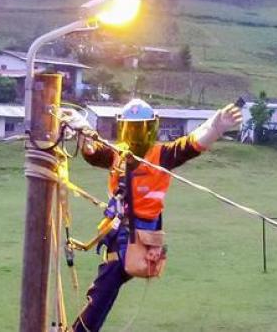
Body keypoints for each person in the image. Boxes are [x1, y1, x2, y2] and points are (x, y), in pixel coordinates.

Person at [64, 99, 242, 331]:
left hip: (138, 239)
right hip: (122, 236)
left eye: (140, 129)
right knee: (106, 287)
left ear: (151, 129)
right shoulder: (117, 154)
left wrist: (216, 126)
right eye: (132, 129)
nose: (136, 136)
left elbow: (193, 143)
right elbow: (93, 151)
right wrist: (82, 130)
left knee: (105, 285)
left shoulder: (162, 155)